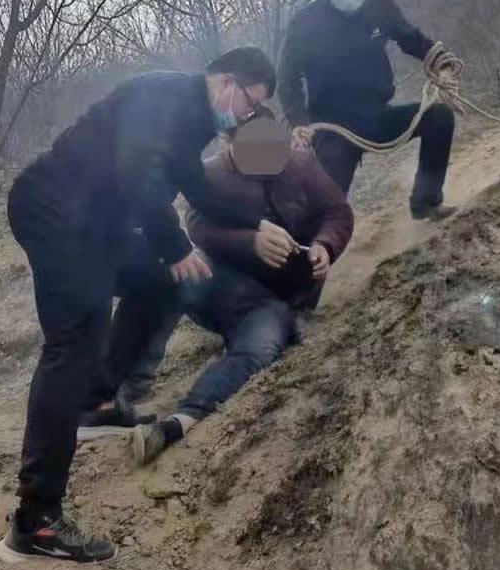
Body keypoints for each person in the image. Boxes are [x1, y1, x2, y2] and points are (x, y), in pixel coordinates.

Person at [0, 47, 276, 566]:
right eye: (250, 104)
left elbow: (199, 190)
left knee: (163, 283)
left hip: (97, 227)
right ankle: (36, 520)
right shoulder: (164, 94)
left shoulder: (194, 121)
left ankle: (99, 402)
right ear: (227, 83)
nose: (247, 116)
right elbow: (137, 172)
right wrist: (175, 244)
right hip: (53, 211)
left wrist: (259, 226)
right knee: (74, 342)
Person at [78, 111, 354, 466]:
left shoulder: (299, 163)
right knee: (172, 271)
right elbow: (196, 224)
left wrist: (325, 245)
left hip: (278, 301)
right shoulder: (211, 173)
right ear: (227, 141)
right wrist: (249, 242)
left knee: (260, 345)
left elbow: (338, 213)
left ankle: (182, 419)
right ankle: (122, 387)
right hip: (224, 288)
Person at [278, 0, 458, 219]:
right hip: (333, 129)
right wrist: (299, 123)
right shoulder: (305, 23)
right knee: (326, 207)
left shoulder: (380, 7)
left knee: (439, 117)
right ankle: (312, 241)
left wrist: (442, 64)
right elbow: (287, 78)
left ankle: (426, 201)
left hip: (377, 116)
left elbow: (412, 40)